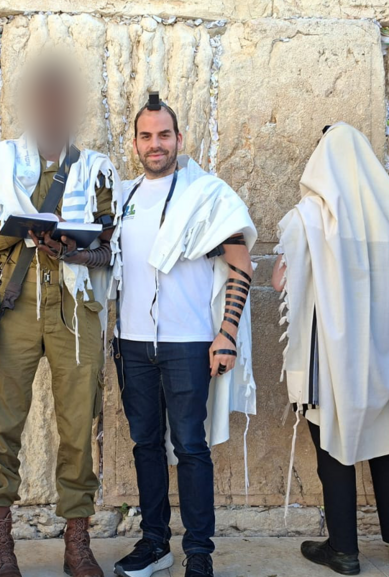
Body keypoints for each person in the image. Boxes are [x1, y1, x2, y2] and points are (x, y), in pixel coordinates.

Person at [0, 58, 120, 577]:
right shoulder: (0, 161)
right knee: (2, 423)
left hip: (76, 309)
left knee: (78, 424)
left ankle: (77, 541)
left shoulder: (97, 169)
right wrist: (15, 232)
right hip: (15, 305)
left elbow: (111, 244)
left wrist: (75, 246)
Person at [272, 122, 389, 576]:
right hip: (385, 355)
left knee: (333, 447)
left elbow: (282, 283)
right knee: (385, 444)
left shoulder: (307, 216)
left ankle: (343, 549)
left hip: (330, 361)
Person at [111, 94, 257, 577]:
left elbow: (240, 264)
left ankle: (199, 553)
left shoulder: (207, 194)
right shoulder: (124, 197)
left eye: (164, 135)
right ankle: (155, 543)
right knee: (145, 445)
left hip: (189, 342)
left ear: (178, 138)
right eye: (146, 136)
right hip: (132, 343)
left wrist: (227, 333)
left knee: (192, 447)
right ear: (135, 143)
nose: (155, 144)